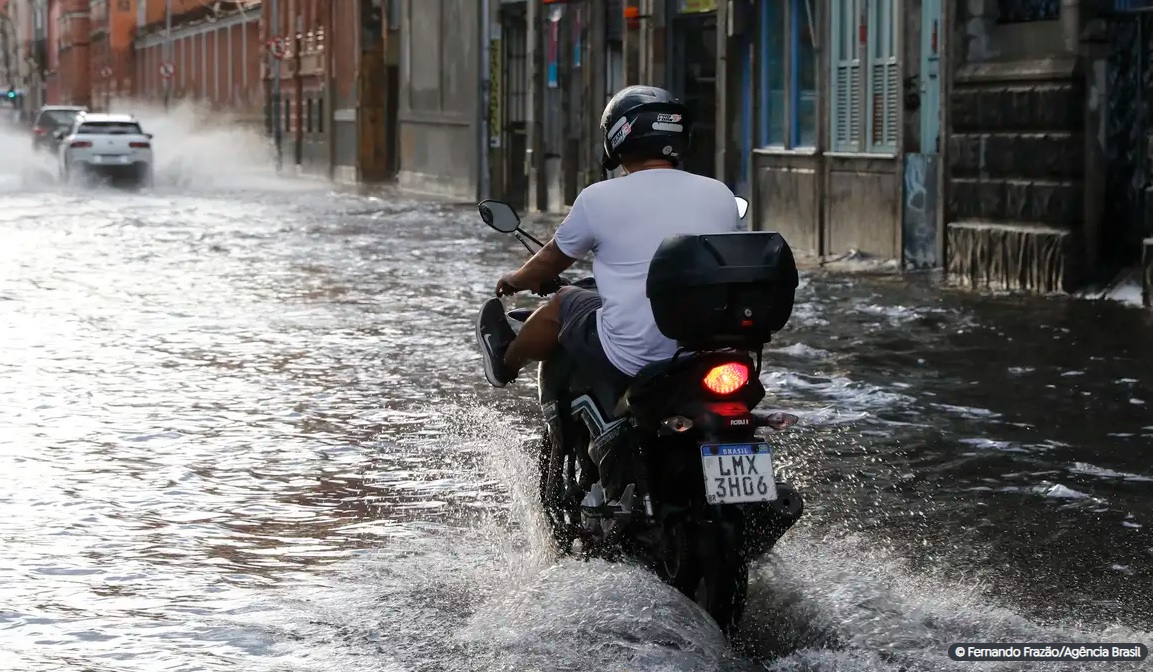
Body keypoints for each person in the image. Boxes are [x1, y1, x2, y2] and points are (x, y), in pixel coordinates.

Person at [476, 85, 745, 389]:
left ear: (617, 137)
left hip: (632, 356)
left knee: (564, 301)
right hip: (708, 350)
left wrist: (515, 279)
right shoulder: (720, 194)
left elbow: (551, 260)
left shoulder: (598, 198)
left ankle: (505, 363)